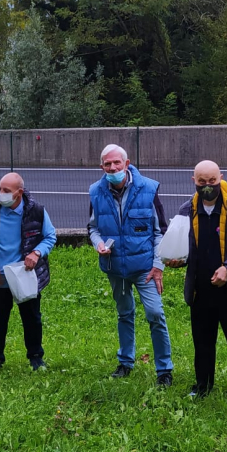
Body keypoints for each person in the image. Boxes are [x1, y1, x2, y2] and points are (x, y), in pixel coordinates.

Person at [168, 160, 227, 399]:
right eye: (202, 182)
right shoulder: (186, 210)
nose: (207, 186)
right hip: (201, 290)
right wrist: (176, 259)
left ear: (221, 177)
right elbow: (181, 245)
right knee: (202, 342)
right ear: (194, 182)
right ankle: (202, 387)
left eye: (212, 181)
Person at [88, 144, 174, 386]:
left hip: (145, 267)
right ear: (102, 166)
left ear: (127, 164)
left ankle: (164, 369)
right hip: (115, 267)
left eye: (117, 163)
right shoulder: (96, 191)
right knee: (124, 314)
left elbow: (161, 232)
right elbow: (92, 227)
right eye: (107, 164)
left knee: (155, 314)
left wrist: (158, 266)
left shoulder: (148, 188)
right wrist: (98, 244)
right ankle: (125, 362)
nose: (112, 167)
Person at [0, 173, 57, 377]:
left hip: (24, 275)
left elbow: (50, 236)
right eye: (0, 189)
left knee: (32, 317)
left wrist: (37, 253)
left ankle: (36, 357)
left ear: (19, 193)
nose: (1, 194)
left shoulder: (36, 211)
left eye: (6, 191)